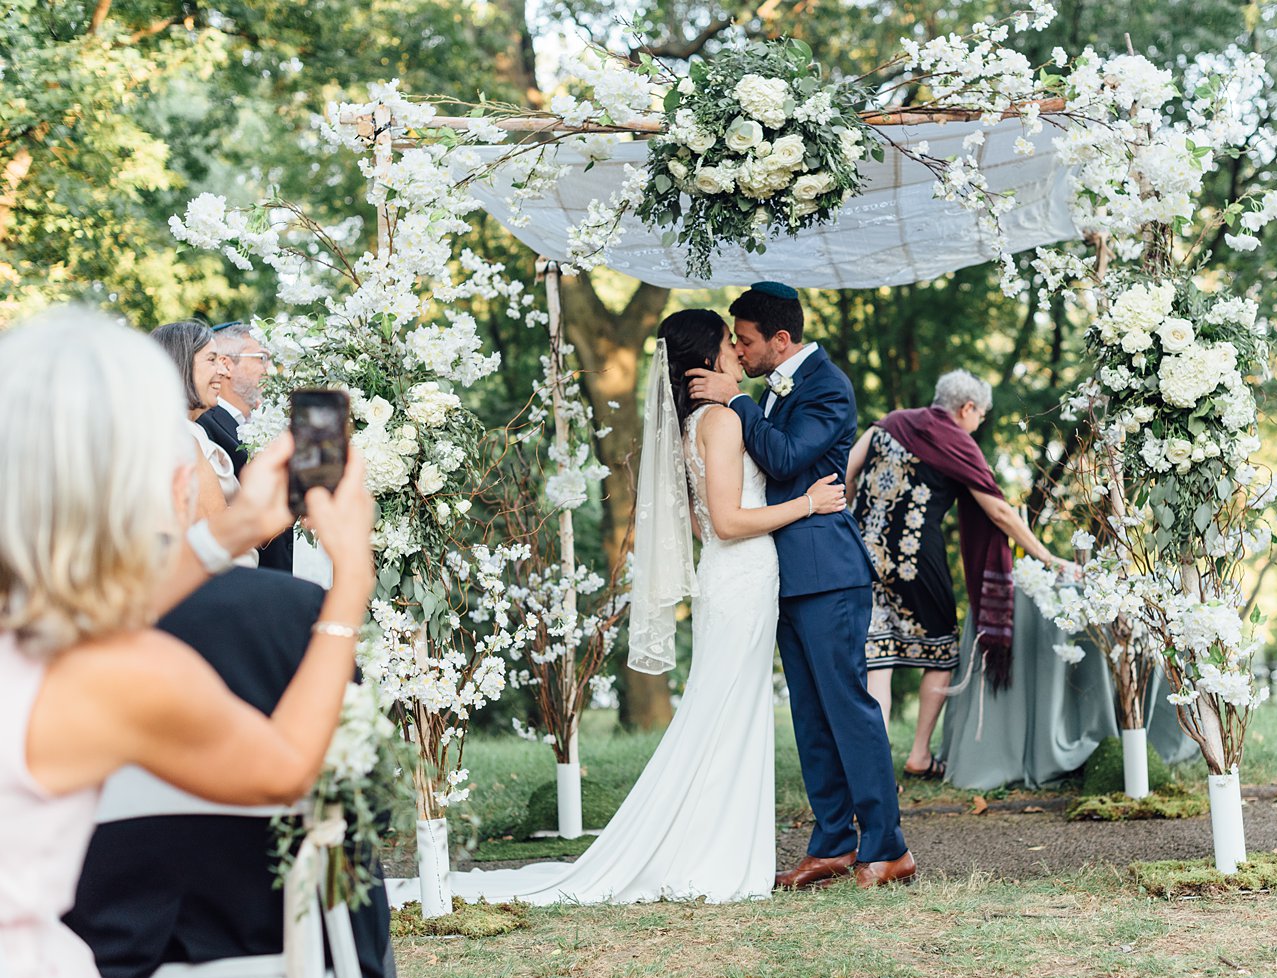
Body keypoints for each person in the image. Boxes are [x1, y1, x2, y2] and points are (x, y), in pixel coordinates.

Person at [388, 308, 846, 907]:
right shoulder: (722, 422)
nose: (738, 350)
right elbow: (729, 523)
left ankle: (716, 844)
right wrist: (807, 505)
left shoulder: (696, 423)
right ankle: (717, 855)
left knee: (727, 713)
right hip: (742, 578)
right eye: (728, 343)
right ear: (708, 357)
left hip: (735, 581)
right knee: (729, 715)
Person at [0, 307, 374, 978]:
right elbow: (285, 768)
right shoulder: (121, 676)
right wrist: (350, 583)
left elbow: (74, 620)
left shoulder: (43, 642)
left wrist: (229, 533)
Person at [64, 568, 401, 978]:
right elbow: (365, 805)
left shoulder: (48, 622)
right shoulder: (297, 609)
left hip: (95, 940)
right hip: (281, 937)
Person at [690, 281, 914, 889]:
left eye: (746, 341)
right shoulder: (774, 392)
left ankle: (889, 847)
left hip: (827, 575)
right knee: (811, 718)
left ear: (781, 340)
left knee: (848, 707)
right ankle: (835, 843)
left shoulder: (827, 387)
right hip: (781, 576)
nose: (739, 351)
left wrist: (736, 402)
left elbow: (786, 458)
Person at [846, 370, 1072, 780]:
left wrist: (849, 528)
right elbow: (1000, 511)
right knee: (942, 652)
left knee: (876, 655)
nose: (979, 422)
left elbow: (847, 472)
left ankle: (873, 771)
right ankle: (918, 755)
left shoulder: (890, 423)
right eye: (981, 415)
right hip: (916, 563)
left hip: (861, 555)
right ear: (966, 408)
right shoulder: (956, 442)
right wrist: (1047, 557)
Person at [203, 321, 294, 572]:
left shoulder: (265, 421)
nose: (269, 369)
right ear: (226, 364)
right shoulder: (206, 425)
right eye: (262, 358)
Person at [149, 320, 238, 515]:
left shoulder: (193, 430)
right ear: (181, 363)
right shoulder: (173, 438)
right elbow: (215, 528)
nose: (223, 371)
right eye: (211, 359)